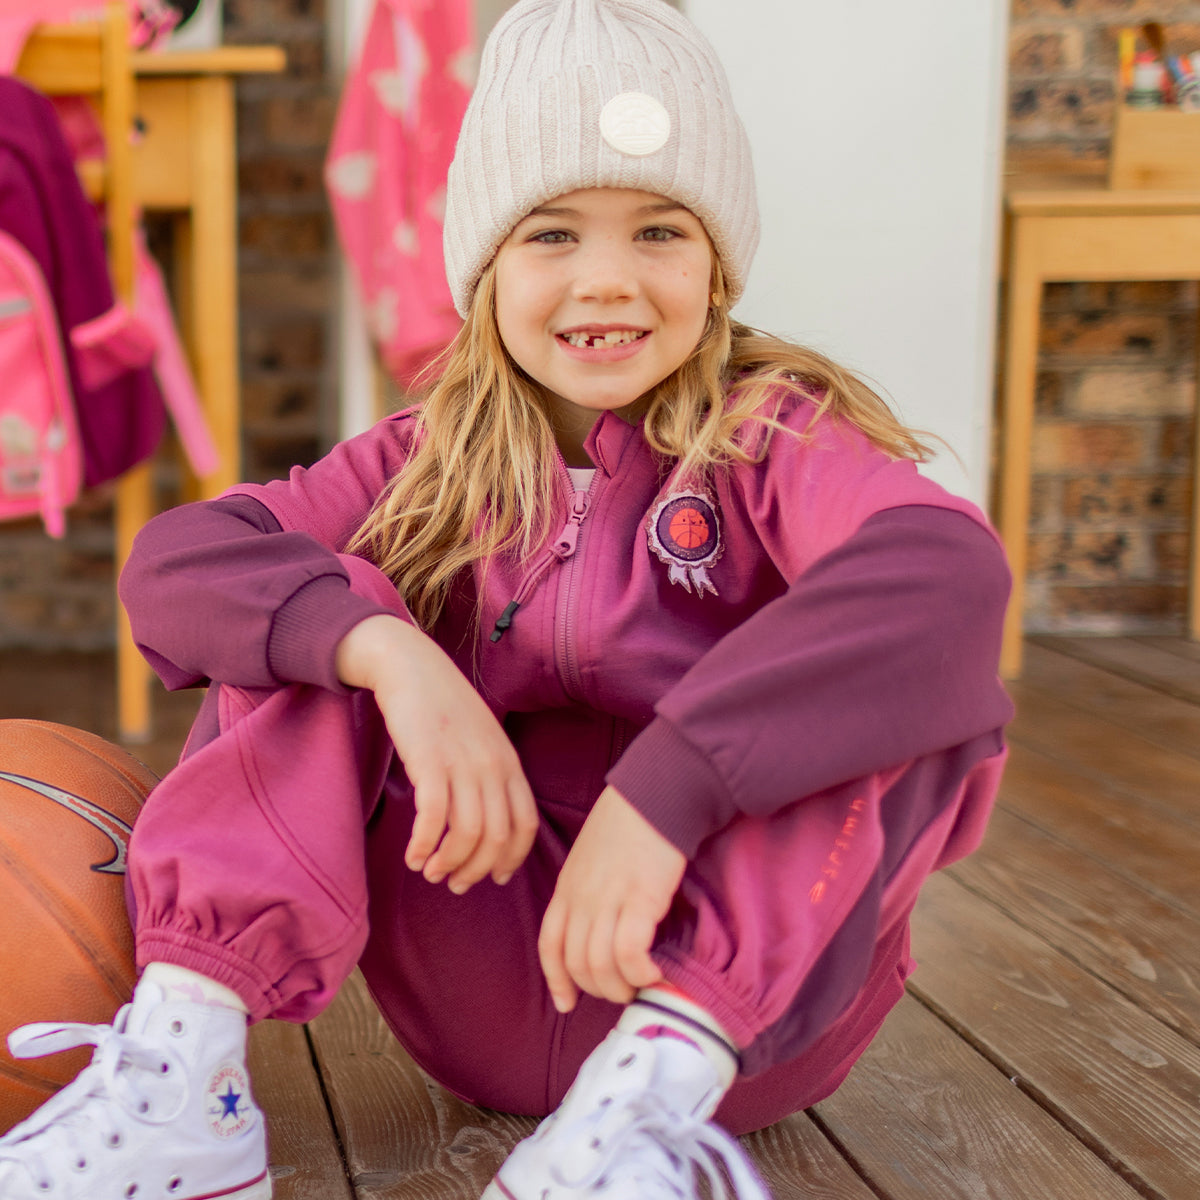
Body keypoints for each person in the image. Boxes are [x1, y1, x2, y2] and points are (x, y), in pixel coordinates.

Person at [0, 1, 1014, 1197]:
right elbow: (179, 564)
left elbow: (947, 574)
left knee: (906, 670)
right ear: (484, 262)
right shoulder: (419, 464)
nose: (608, 281)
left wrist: (677, 784)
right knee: (313, 605)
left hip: (741, 1022)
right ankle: (188, 1080)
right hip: (482, 970)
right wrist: (389, 654)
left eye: (658, 231)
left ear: (718, 261)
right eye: (551, 235)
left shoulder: (774, 442)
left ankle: (642, 1115)